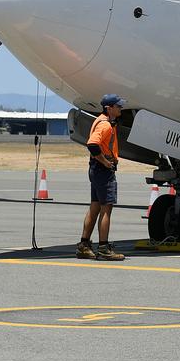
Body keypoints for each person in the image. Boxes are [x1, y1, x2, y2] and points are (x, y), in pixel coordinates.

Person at [76, 94, 126, 261]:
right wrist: (105, 162)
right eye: (118, 106)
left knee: (95, 207)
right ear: (109, 108)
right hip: (103, 171)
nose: (121, 108)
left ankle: (84, 245)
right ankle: (104, 248)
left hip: (95, 170)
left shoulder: (101, 121)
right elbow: (92, 144)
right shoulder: (105, 125)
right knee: (106, 209)